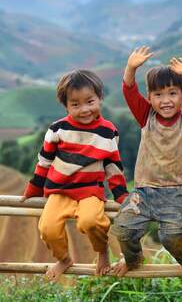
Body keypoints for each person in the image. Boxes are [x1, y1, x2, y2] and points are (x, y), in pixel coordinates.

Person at [109, 51, 182, 277]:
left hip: (176, 193)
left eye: (172, 93)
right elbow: (129, 90)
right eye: (158, 94)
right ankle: (134, 258)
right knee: (124, 229)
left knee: (172, 236)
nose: (166, 100)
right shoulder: (146, 115)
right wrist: (131, 68)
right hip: (144, 191)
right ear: (149, 98)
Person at [21, 69, 129, 280]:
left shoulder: (108, 131)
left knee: (91, 222)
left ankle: (102, 251)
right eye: (75, 104)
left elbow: (113, 166)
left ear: (100, 98)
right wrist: (33, 188)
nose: (84, 109)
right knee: (47, 228)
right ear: (66, 105)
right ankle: (63, 258)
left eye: (90, 101)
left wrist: (122, 196)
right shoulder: (57, 129)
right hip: (59, 190)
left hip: (90, 191)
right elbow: (44, 162)